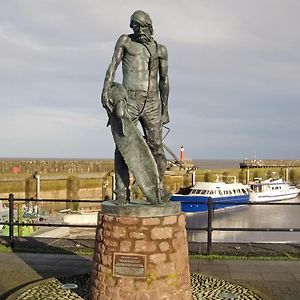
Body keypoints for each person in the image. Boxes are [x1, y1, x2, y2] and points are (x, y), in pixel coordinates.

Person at [101, 10, 170, 204]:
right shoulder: (125, 41)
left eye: (140, 26)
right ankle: (121, 192)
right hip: (130, 99)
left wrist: (165, 109)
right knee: (123, 146)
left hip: (153, 102)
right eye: (133, 26)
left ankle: (157, 189)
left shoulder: (161, 50)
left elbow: (164, 81)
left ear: (149, 26)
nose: (137, 30)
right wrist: (106, 89)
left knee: (156, 147)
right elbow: (113, 65)